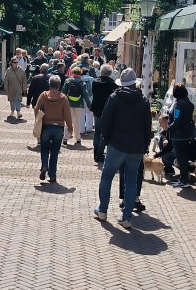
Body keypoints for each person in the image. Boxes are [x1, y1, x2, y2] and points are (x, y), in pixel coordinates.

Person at [93, 68, 151, 229]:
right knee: (131, 180)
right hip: (136, 147)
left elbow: (105, 121)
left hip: (117, 145)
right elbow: (147, 126)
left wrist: (107, 139)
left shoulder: (115, 98)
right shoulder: (143, 100)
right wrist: (145, 145)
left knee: (107, 177)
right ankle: (127, 217)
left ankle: (102, 210)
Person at [34, 75, 73, 184]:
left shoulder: (44, 95)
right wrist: (70, 127)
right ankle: (52, 176)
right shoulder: (63, 98)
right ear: (59, 85)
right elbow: (67, 114)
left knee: (44, 149)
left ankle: (44, 166)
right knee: (55, 152)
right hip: (59, 127)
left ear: (49, 84)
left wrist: (38, 119)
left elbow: (36, 108)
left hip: (46, 126)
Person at [168, 83, 196, 188]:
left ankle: (184, 180)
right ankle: (183, 178)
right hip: (187, 134)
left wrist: (169, 127)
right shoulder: (189, 103)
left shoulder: (178, 104)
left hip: (178, 135)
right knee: (184, 158)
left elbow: (177, 120)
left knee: (181, 159)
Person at [89, 64, 118, 163]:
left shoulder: (95, 82)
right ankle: (100, 153)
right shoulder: (112, 84)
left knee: (97, 131)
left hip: (96, 109)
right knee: (104, 132)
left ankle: (96, 151)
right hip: (107, 110)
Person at [61, 67, 92, 146]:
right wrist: (89, 105)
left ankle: (65, 137)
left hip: (68, 104)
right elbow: (85, 95)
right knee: (77, 121)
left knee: (68, 121)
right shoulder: (82, 82)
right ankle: (78, 138)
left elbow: (63, 92)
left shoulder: (68, 81)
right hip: (79, 104)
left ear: (72, 73)